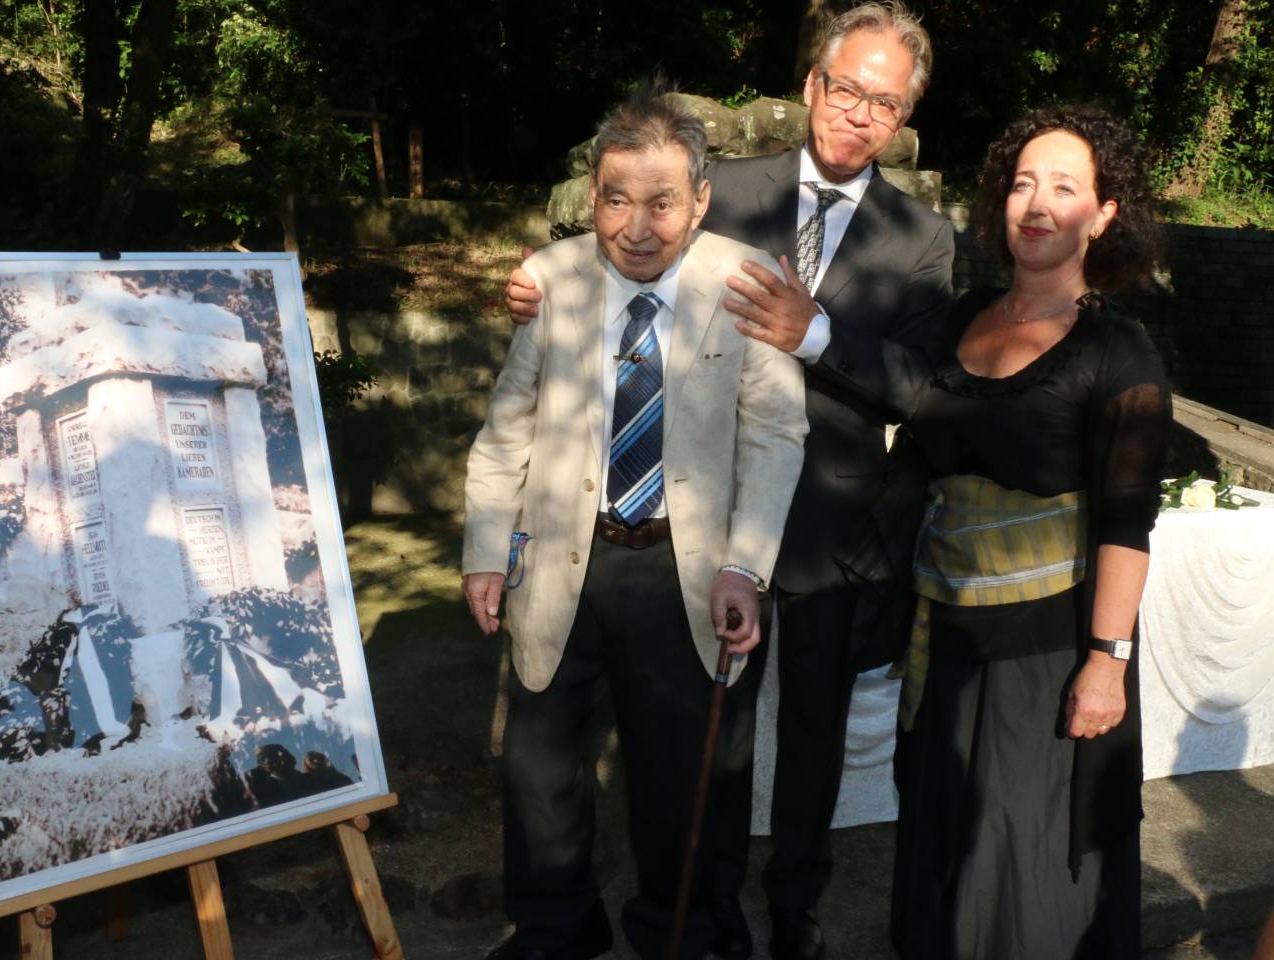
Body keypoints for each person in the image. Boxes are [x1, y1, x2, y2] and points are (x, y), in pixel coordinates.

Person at [506, 6, 952, 957]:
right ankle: (704, 917)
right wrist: (537, 279)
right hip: (702, 508)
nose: (859, 113)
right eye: (846, 88)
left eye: (886, 100)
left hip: (829, 518)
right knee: (713, 738)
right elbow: (619, 240)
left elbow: (923, 389)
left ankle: (797, 905)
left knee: (814, 736)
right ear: (812, 86)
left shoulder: (922, 238)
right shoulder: (725, 186)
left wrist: (817, 334)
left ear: (907, 112)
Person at [463, 85, 809, 960]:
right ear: (594, 196)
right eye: (617, 199)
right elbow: (506, 429)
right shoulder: (552, 280)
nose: (638, 225)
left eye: (662, 202)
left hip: (684, 572)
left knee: (683, 776)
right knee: (539, 771)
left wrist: (746, 567)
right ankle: (551, 930)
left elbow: (775, 438)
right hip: (558, 564)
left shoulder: (747, 285)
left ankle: (684, 931)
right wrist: (484, 555)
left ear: (699, 199)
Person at [832, 104, 1169, 959]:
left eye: (1065, 186)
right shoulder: (961, 317)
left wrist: (1107, 662)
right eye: (1023, 182)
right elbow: (889, 403)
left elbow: (1128, 523)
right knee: (944, 838)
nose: (1038, 202)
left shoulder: (1117, 353)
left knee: (1023, 858)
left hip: (1047, 656)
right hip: (944, 639)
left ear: (1102, 214)